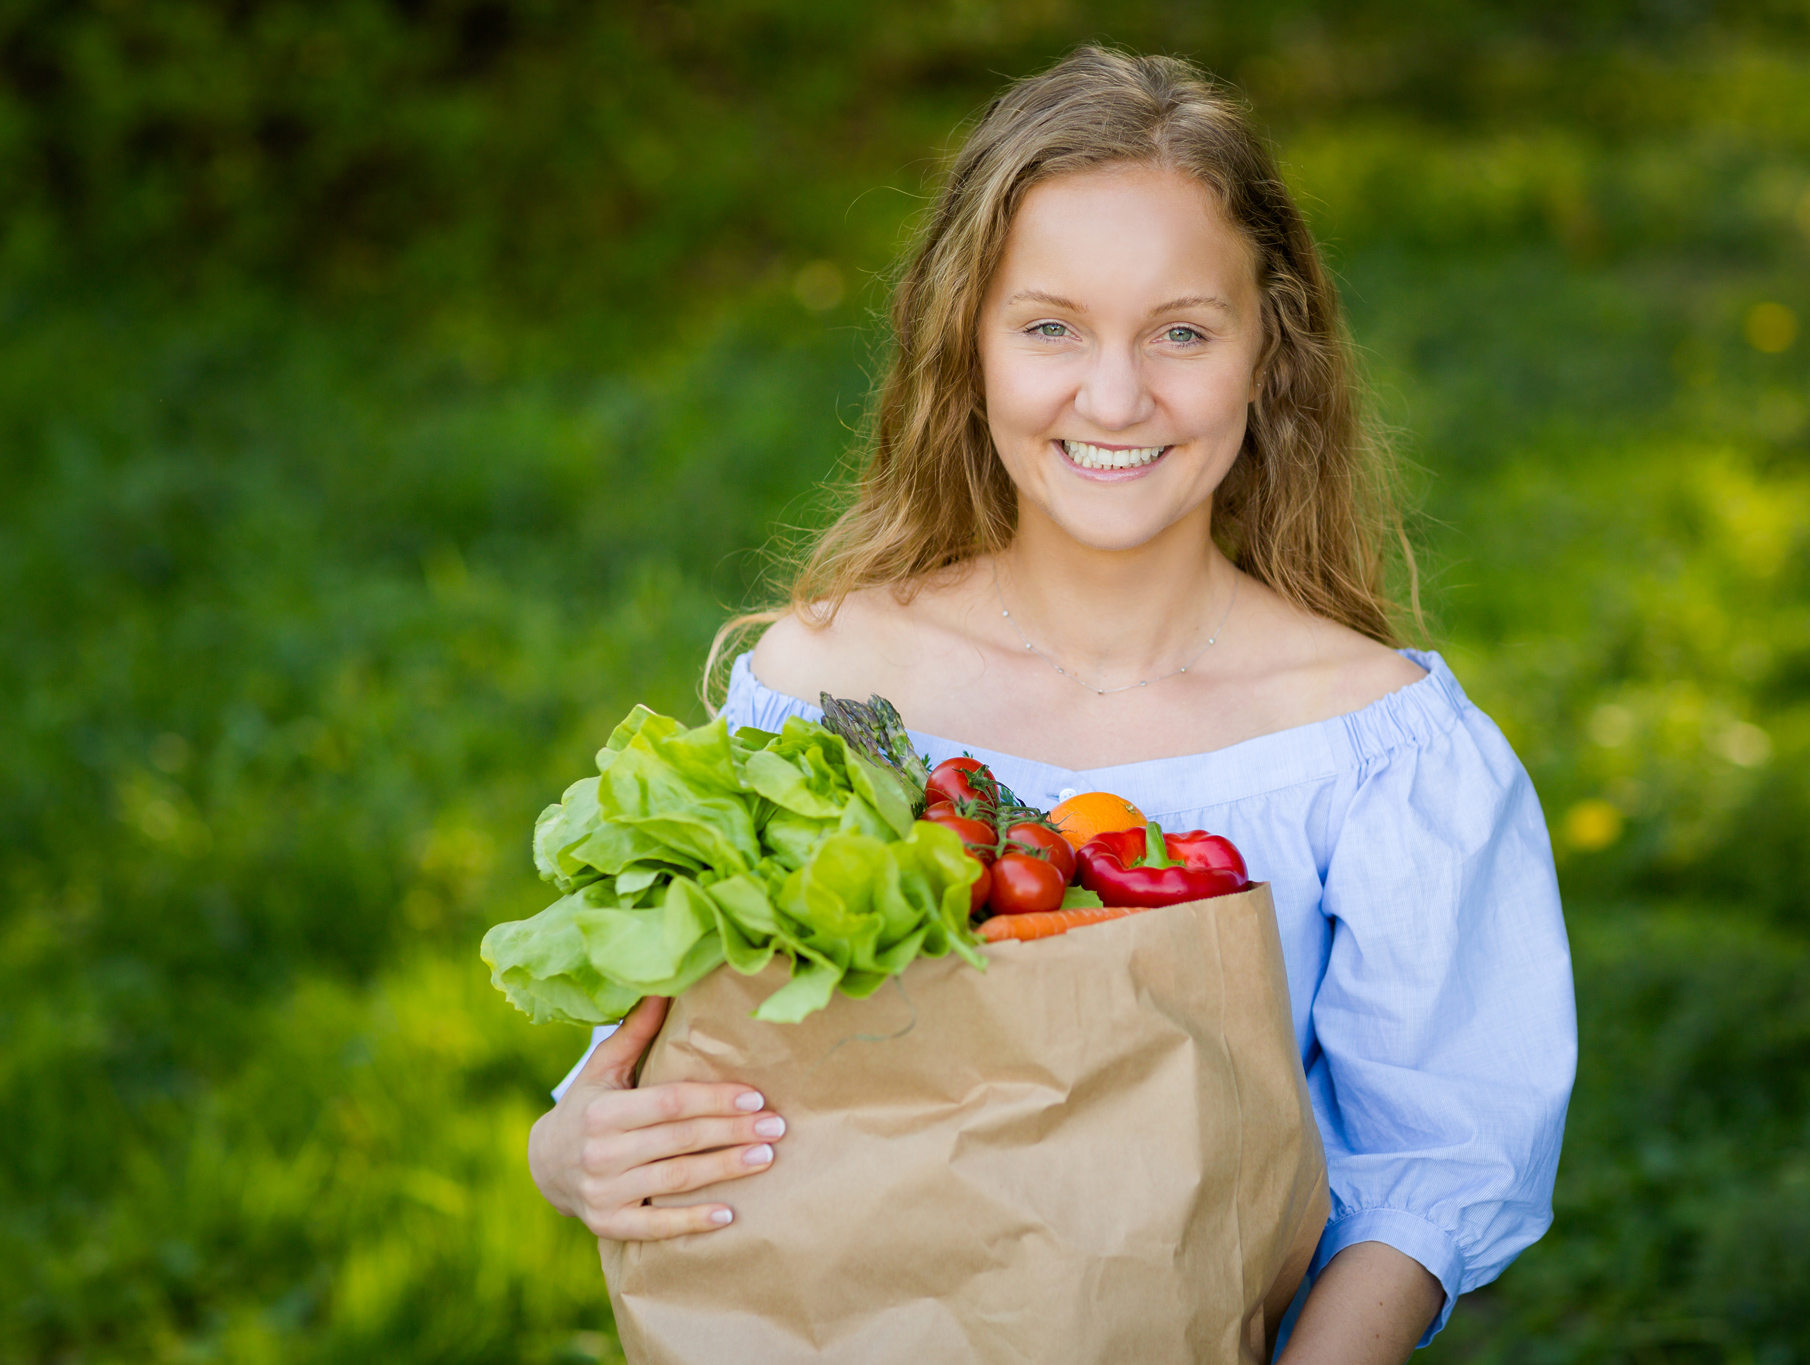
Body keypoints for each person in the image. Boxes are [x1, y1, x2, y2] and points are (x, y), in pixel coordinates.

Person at [529, 46, 1574, 1363]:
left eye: (1182, 331)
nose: (1116, 396)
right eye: (1050, 328)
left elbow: (1432, 1171)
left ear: (1271, 350)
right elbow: (665, 1046)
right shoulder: (828, 693)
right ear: (966, 343)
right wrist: (571, 1144)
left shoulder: (1370, 748)